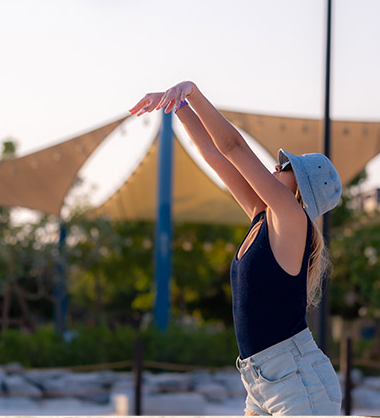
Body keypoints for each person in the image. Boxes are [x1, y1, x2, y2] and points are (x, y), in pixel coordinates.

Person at [130, 80, 344, 416]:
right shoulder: (263, 217)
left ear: (301, 190)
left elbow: (233, 147)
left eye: (287, 167)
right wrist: (177, 107)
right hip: (262, 380)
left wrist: (192, 91)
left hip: (298, 382)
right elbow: (217, 157)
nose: (277, 167)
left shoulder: (291, 219)